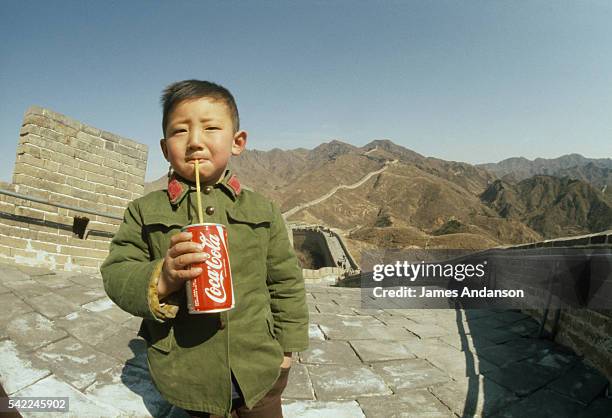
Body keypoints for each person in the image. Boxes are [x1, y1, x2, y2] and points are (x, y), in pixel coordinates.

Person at [101, 80, 309, 418]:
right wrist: (162, 279)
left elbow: (285, 283)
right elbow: (116, 271)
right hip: (185, 372)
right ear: (166, 147)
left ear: (237, 142)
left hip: (259, 370)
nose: (195, 141)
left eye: (211, 128)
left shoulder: (263, 210)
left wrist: (286, 351)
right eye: (180, 131)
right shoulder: (144, 211)